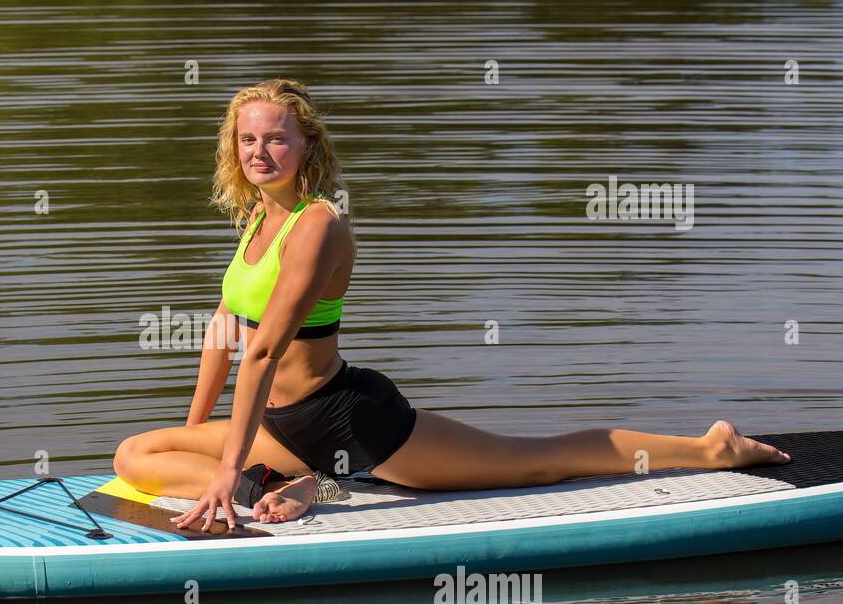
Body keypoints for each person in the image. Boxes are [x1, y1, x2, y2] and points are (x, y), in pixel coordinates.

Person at [112, 78, 791, 532]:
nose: (261, 152)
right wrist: (198, 433)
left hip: (351, 419)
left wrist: (222, 468)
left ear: (307, 145)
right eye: (249, 139)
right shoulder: (253, 222)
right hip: (280, 427)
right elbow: (225, 333)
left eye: (277, 138)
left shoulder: (317, 224)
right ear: (234, 147)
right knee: (134, 456)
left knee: (538, 462)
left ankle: (711, 448)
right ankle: (312, 485)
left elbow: (263, 348)